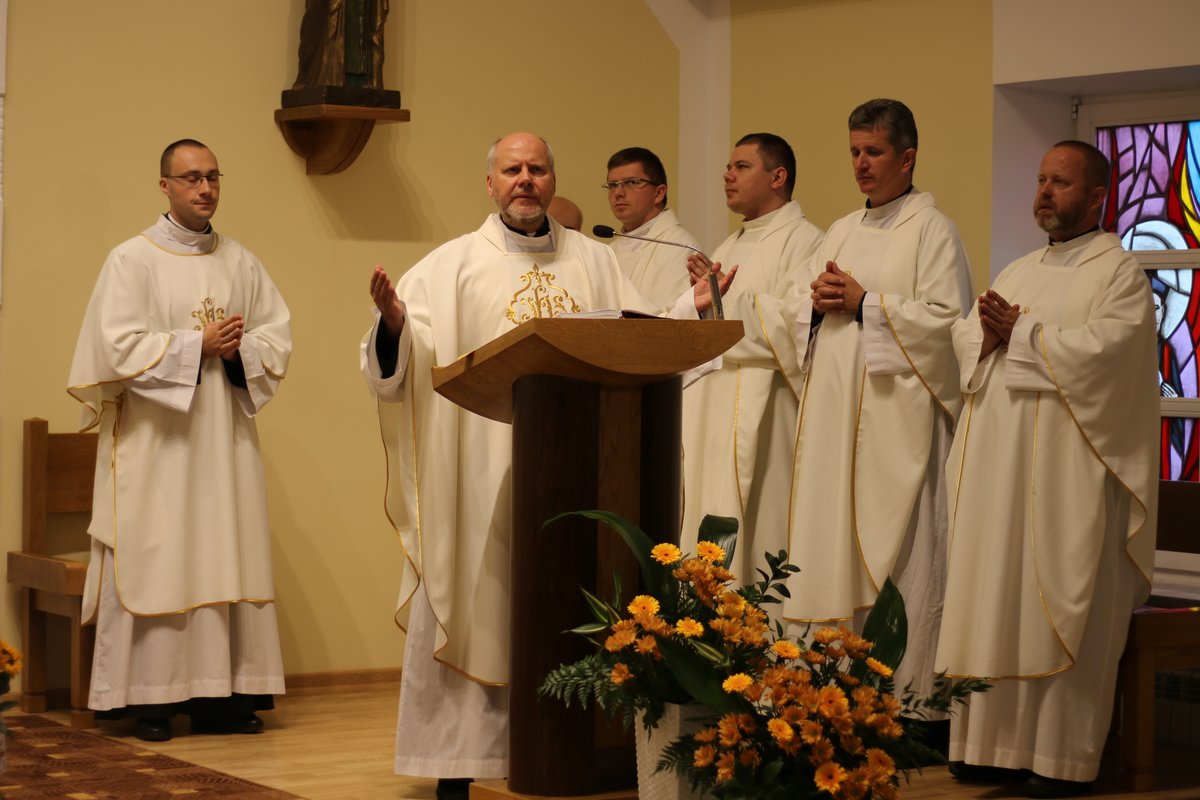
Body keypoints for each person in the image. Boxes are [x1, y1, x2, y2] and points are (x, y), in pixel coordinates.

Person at [361, 132, 732, 795]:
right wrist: (393, 327)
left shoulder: (595, 259)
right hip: (481, 480)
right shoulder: (451, 266)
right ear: (491, 183)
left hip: (578, 470)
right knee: (479, 596)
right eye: (513, 169)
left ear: (554, 180)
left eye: (537, 168)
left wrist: (689, 310)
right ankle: (461, 761)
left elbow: (636, 334)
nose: (525, 179)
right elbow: (406, 358)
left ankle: (585, 750)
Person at [934, 141, 1158, 798]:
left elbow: (1110, 358)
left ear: (1097, 197)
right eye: (1040, 180)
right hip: (1000, 479)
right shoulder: (1020, 268)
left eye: (1060, 182)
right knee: (995, 596)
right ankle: (987, 747)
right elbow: (966, 339)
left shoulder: (1119, 274)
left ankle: (1060, 759)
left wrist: (1024, 335)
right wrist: (985, 335)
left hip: (1070, 482)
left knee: (1061, 599)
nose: (1044, 192)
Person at [67, 139, 292, 742]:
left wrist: (238, 350)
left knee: (222, 552)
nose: (205, 188)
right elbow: (114, 348)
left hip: (224, 444)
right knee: (161, 559)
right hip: (157, 446)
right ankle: (152, 701)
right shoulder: (131, 260)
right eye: (191, 178)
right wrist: (198, 345)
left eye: (213, 176)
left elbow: (274, 337)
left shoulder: (241, 261)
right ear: (164, 185)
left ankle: (223, 698)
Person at [781, 100, 973, 706]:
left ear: (907, 158)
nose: (861, 164)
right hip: (838, 423)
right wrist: (814, 305)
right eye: (854, 153)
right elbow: (801, 308)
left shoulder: (933, 231)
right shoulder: (840, 230)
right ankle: (832, 694)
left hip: (900, 429)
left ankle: (905, 703)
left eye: (874, 152)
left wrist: (866, 302)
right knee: (834, 545)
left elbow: (947, 325)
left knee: (906, 559)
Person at [679, 133, 823, 583]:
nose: (727, 175)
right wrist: (700, 301)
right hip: (712, 412)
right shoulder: (727, 246)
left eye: (741, 166)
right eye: (728, 166)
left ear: (778, 177)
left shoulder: (807, 241)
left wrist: (721, 306)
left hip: (766, 412)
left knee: (757, 531)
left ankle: (756, 625)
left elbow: (799, 324)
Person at [603, 146, 700, 310]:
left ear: (659, 193)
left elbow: (672, 315)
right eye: (612, 185)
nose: (618, 193)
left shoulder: (679, 246)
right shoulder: (608, 251)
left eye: (631, 182)